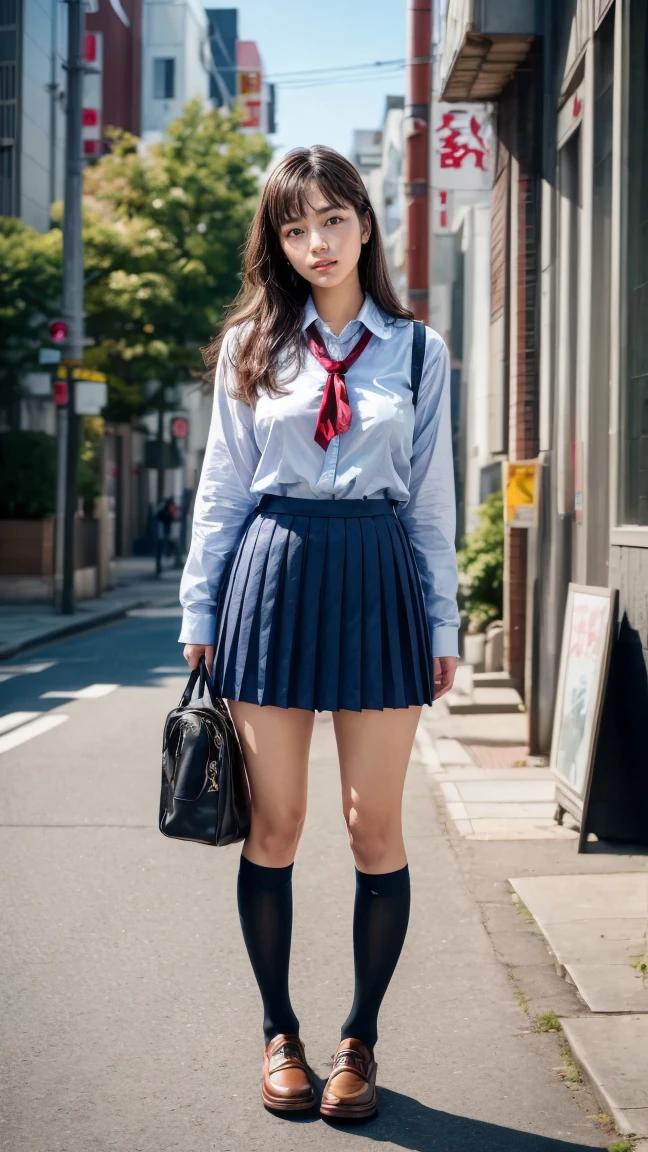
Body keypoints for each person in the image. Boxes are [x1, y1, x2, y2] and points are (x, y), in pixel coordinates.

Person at [179, 145, 459, 1120]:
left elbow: (430, 501)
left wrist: (441, 621)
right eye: (295, 228)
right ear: (279, 241)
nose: (316, 243)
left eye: (332, 220)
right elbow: (220, 489)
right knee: (278, 824)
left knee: (371, 826)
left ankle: (359, 1043)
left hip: (378, 578)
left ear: (366, 224)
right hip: (273, 576)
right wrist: (199, 611)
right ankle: (278, 1035)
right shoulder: (253, 345)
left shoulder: (418, 352)